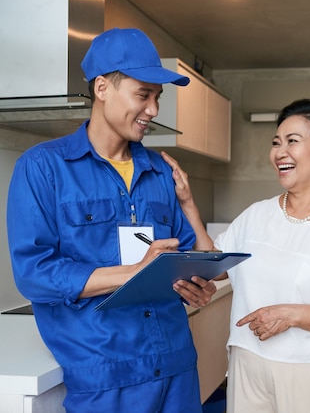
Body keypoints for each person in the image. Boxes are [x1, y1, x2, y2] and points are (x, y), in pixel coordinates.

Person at [6, 28, 218, 413]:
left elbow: (188, 258)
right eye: (143, 95)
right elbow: (34, 274)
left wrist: (195, 284)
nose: (153, 110)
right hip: (105, 378)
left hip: (177, 366)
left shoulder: (161, 171)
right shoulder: (43, 167)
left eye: (158, 97)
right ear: (102, 88)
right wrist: (134, 272)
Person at [164, 98, 310, 413]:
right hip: (246, 361)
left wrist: (291, 314)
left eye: (293, 141)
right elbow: (216, 264)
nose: (280, 152)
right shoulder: (257, 215)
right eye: (276, 142)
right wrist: (188, 205)